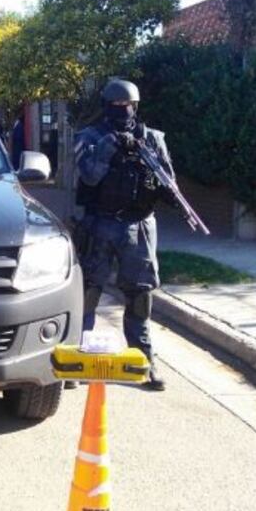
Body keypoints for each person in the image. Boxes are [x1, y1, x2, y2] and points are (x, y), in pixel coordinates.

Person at [73, 79, 176, 391]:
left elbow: (169, 185)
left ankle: (143, 361)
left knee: (140, 295)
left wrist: (150, 163)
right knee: (89, 291)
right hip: (100, 224)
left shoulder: (152, 138)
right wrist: (108, 148)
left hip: (139, 226)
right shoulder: (89, 137)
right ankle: (80, 359)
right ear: (106, 106)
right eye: (117, 105)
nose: (123, 110)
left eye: (128, 105)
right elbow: (90, 177)